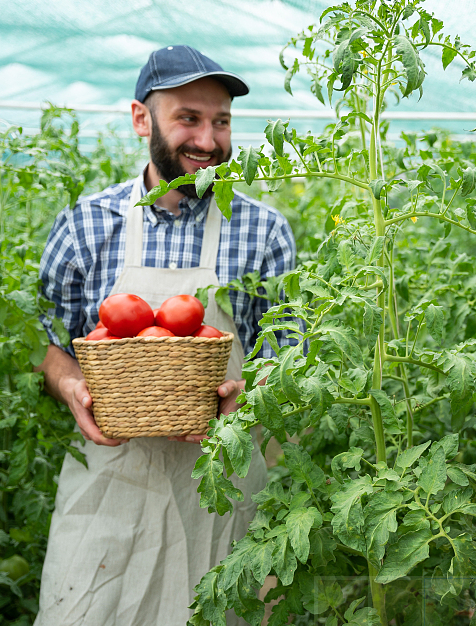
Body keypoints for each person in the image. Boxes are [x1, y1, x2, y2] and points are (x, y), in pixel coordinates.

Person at [33, 45, 297, 625]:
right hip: (110, 483)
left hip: (222, 487)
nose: (208, 140)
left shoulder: (262, 231)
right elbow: (53, 349)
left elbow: (286, 354)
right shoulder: (86, 226)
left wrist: (249, 394)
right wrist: (72, 387)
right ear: (140, 119)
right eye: (188, 119)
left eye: (221, 121)